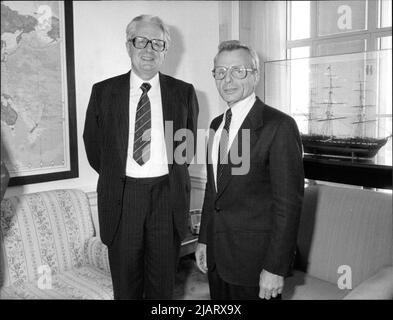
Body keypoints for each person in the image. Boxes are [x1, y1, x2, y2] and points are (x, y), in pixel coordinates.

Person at [83, 15, 199, 300]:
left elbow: (186, 148)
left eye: (157, 43)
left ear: (165, 50)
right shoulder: (104, 92)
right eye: (141, 41)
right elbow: (94, 146)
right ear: (128, 46)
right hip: (123, 199)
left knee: (162, 289)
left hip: (166, 198)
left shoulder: (183, 92)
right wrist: (119, 175)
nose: (149, 49)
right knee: (126, 288)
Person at [195, 40, 304, 300]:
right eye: (220, 72)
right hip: (218, 258)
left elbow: (288, 205)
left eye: (238, 71)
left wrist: (275, 268)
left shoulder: (279, 125)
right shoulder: (215, 125)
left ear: (255, 74)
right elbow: (214, 190)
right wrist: (204, 239)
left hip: (256, 265)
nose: (227, 79)